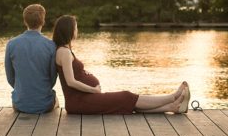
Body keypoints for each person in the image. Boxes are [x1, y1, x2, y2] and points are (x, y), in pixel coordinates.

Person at [52, 15, 189, 115]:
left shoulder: (65, 50)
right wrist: (93, 89)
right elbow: (70, 82)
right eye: (76, 28)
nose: (77, 31)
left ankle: (172, 107)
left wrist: (85, 75)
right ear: (69, 30)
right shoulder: (64, 52)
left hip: (84, 99)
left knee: (124, 102)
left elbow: (74, 74)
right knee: (126, 97)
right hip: (79, 102)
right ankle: (173, 97)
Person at [4, 4, 58, 113]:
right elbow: (53, 78)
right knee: (56, 99)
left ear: (25, 22)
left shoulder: (11, 44)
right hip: (44, 104)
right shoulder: (51, 45)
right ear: (43, 21)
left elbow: (10, 78)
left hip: (19, 104)